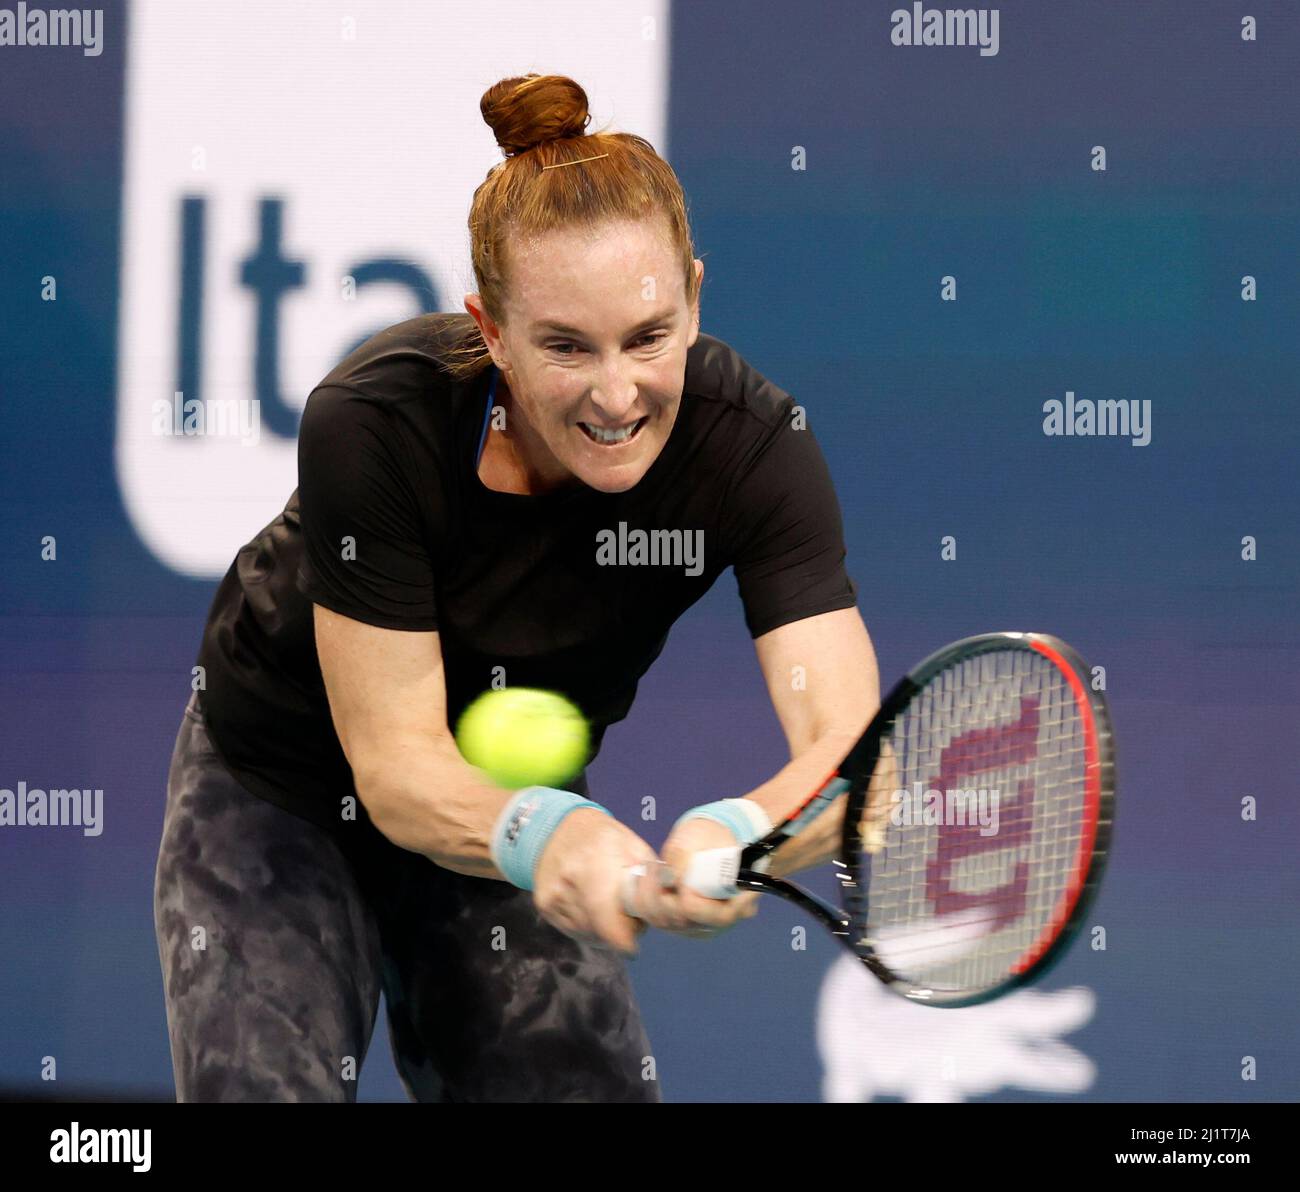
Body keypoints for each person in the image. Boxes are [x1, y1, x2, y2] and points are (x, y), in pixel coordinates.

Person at [153, 72, 880, 1103]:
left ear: (695, 298)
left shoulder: (754, 450)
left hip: (512, 801)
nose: (617, 393)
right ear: (489, 330)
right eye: (564, 347)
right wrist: (550, 836)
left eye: (648, 337)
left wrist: (738, 835)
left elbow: (853, 759)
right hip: (284, 787)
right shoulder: (377, 423)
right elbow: (398, 767)